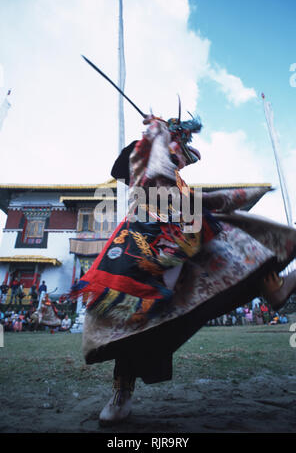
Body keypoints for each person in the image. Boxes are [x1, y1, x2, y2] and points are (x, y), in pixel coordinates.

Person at [70, 113, 296, 426]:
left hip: (178, 249)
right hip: (140, 252)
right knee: (133, 324)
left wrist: (246, 193)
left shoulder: (178, 186)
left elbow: (207, 200)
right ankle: (121, 391)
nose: (179, 155)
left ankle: (272, 287)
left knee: (232, 241)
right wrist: (160, 135)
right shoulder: (144, 166)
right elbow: (161, 175)